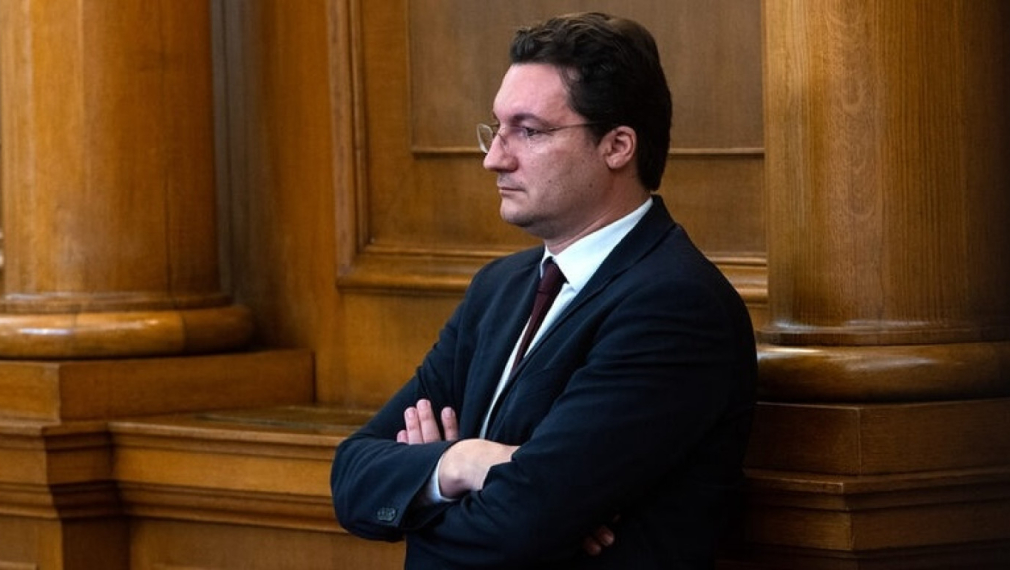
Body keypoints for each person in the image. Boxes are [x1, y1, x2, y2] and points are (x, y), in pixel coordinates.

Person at [331, 11, 756, 569]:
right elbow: (352, 475)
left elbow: (520, 526)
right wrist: (462, 462)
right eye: (496, 128)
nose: (494, 158)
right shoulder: (497, 289)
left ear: (617, 145)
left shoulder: (675, 306)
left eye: (528, 131)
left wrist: (425, 491)